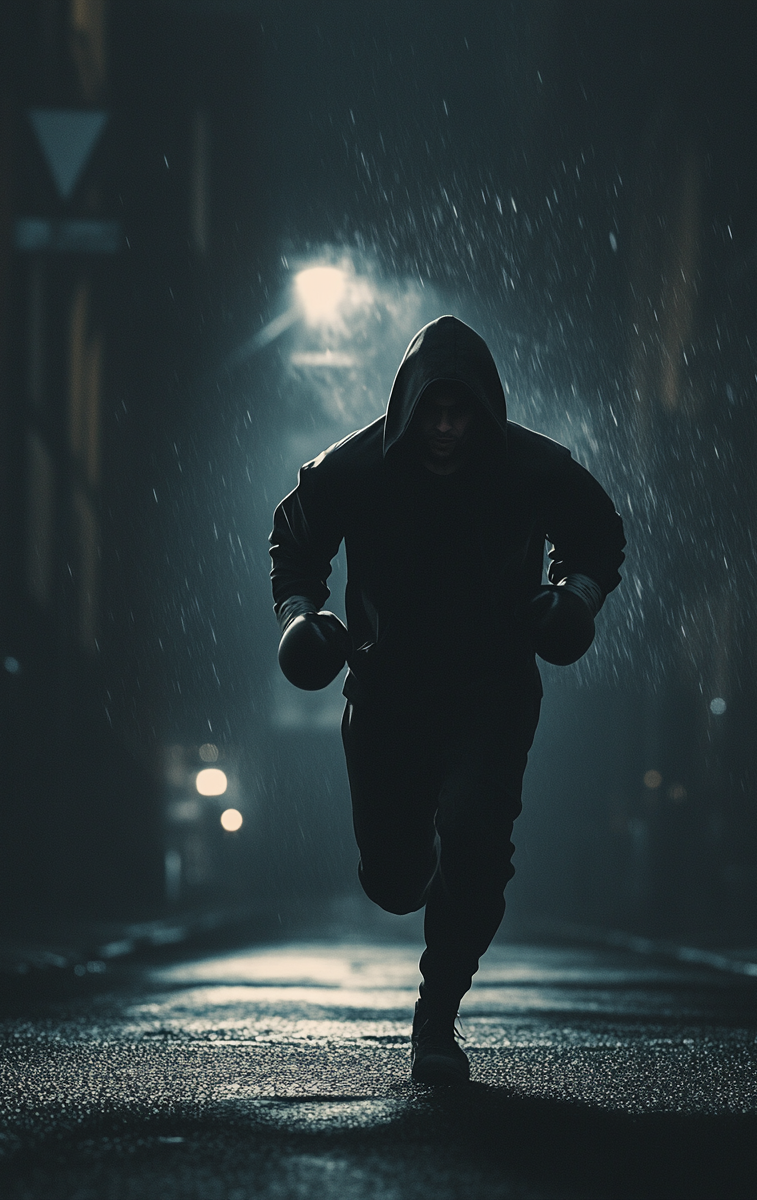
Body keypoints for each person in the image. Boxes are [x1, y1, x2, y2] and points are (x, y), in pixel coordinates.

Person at [269, 315, 625, 1084]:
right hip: (388, 695)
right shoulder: (353, 468)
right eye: (432, 411)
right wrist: (302, 617)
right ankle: (417, 873)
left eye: (459, 412)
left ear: (483, 410)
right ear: (408, 406)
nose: (444, 428)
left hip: (490, 694)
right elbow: (294, 541)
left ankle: (437, 1018)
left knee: (474, 838)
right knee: (395, 883)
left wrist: (578, 595)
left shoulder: (533, 468)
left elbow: (598, 531)